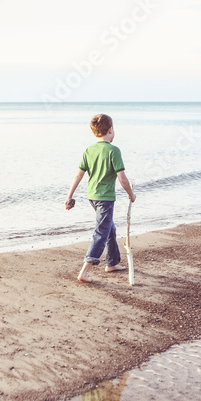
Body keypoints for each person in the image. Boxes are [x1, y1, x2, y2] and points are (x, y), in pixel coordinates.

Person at [64, 114, 136, 283]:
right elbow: (123, 179)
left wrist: (69, 196)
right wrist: (131, 195)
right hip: (105, 199)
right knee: (102, 232)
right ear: (110, 129)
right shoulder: (114, 150)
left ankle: (112, 263)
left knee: (109, 228)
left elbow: (78, 175)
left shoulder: (89, 150)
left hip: (92, 197)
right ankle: (84, 270)